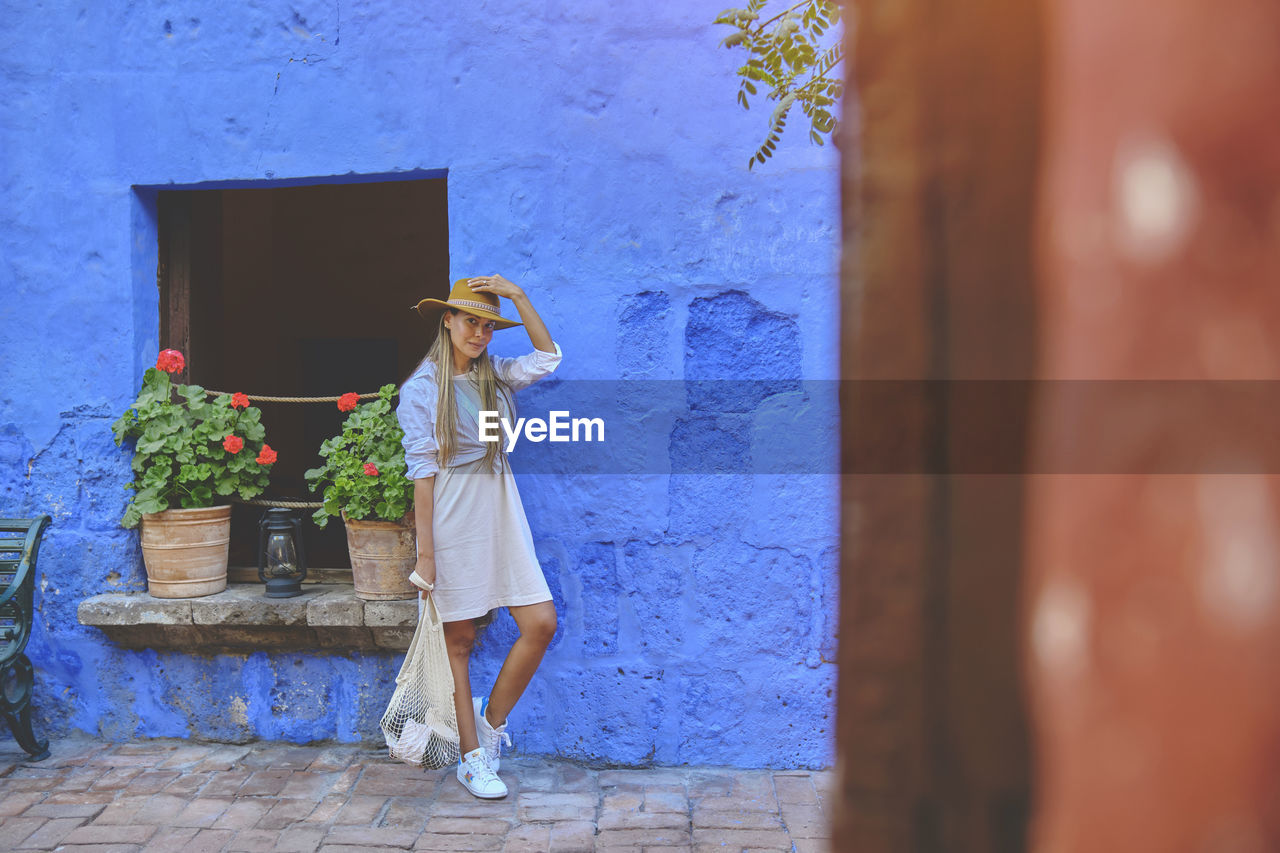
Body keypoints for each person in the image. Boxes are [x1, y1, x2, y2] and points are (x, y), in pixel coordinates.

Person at [397, 275, 560, 800]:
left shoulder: (495, 376)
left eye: (489, 325)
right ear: (447, 320)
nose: (481, 333)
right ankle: (471, 759)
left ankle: (489, 733)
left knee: (539, 623)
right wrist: (427, 556)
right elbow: (423, 475)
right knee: (460, 641)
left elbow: (547, 356)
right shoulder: (422, 389)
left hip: (501, 510)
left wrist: (518, 298)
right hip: (453, 517)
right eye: (472, 321)